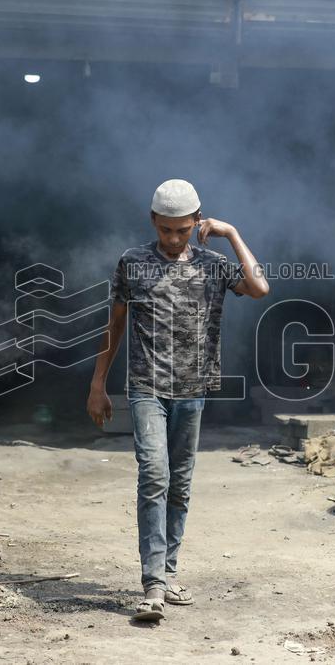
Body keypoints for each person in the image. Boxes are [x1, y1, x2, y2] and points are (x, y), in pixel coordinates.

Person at [87, 179, 269, 622]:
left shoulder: (213, 265)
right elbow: (114, 325)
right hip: (146, 388)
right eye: (165, 230)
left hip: (193, 390)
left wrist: (232, 233)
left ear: (197, 222)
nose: (172, 239)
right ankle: (153, 583)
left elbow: (259, 288)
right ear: (153, 221)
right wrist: (97, 384)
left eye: (182, 230)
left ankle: (168, 573)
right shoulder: (133, 263)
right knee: (154, 475)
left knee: (180, 485)